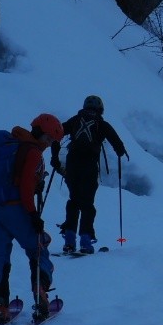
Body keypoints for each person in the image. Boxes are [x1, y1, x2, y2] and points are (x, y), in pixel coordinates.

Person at [0, 114, 63, 325]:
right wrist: (33, 215)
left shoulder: (13, 143)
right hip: (17, 210)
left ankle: (0, 303)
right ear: (39, 132)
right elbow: (26, 188)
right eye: (48, 139)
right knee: (38, 247)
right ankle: (41, 293)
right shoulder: (32, 152)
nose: (47, 145)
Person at [52, 94, 129, 254]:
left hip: (72, 165)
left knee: (73, 201)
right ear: (100, 109)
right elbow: (118, 144)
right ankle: (85, 241)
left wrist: (55, 158)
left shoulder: (75, 120)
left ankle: (69, 241)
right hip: (89, 167)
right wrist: (121, 152)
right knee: (87, 203)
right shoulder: (102, 124)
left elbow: (57, 133)